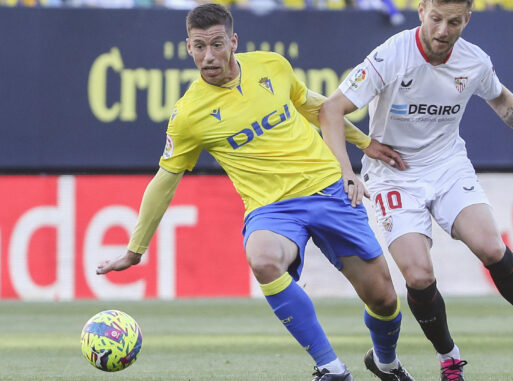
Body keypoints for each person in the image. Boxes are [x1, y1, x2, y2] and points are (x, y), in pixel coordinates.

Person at [95, 4, 415, 381]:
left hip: (328, 188)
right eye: (199, 47)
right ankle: (331, 368)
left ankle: (385, 362)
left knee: (383, 298)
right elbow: (164, 181)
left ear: (233, 41)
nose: (208, 56)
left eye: (216, 44)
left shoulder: (272, 65)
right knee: (262, 259)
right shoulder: (188, 115)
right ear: (188, 48)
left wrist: (362, 142)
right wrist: (135, 250)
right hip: (272, 209)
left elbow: (312, 105)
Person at [318, 0, 513, 379]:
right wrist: (347, 171)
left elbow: (501, 98)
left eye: (454, 22)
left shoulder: (474, 61)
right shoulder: (391, 56)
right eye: (436, 19)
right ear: (420, 11)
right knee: (418, 277)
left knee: (492, 247)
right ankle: (449, 358)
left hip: (447, 166)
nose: (443, 31)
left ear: (468, 19)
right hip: (393, 175)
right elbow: (330, 110)